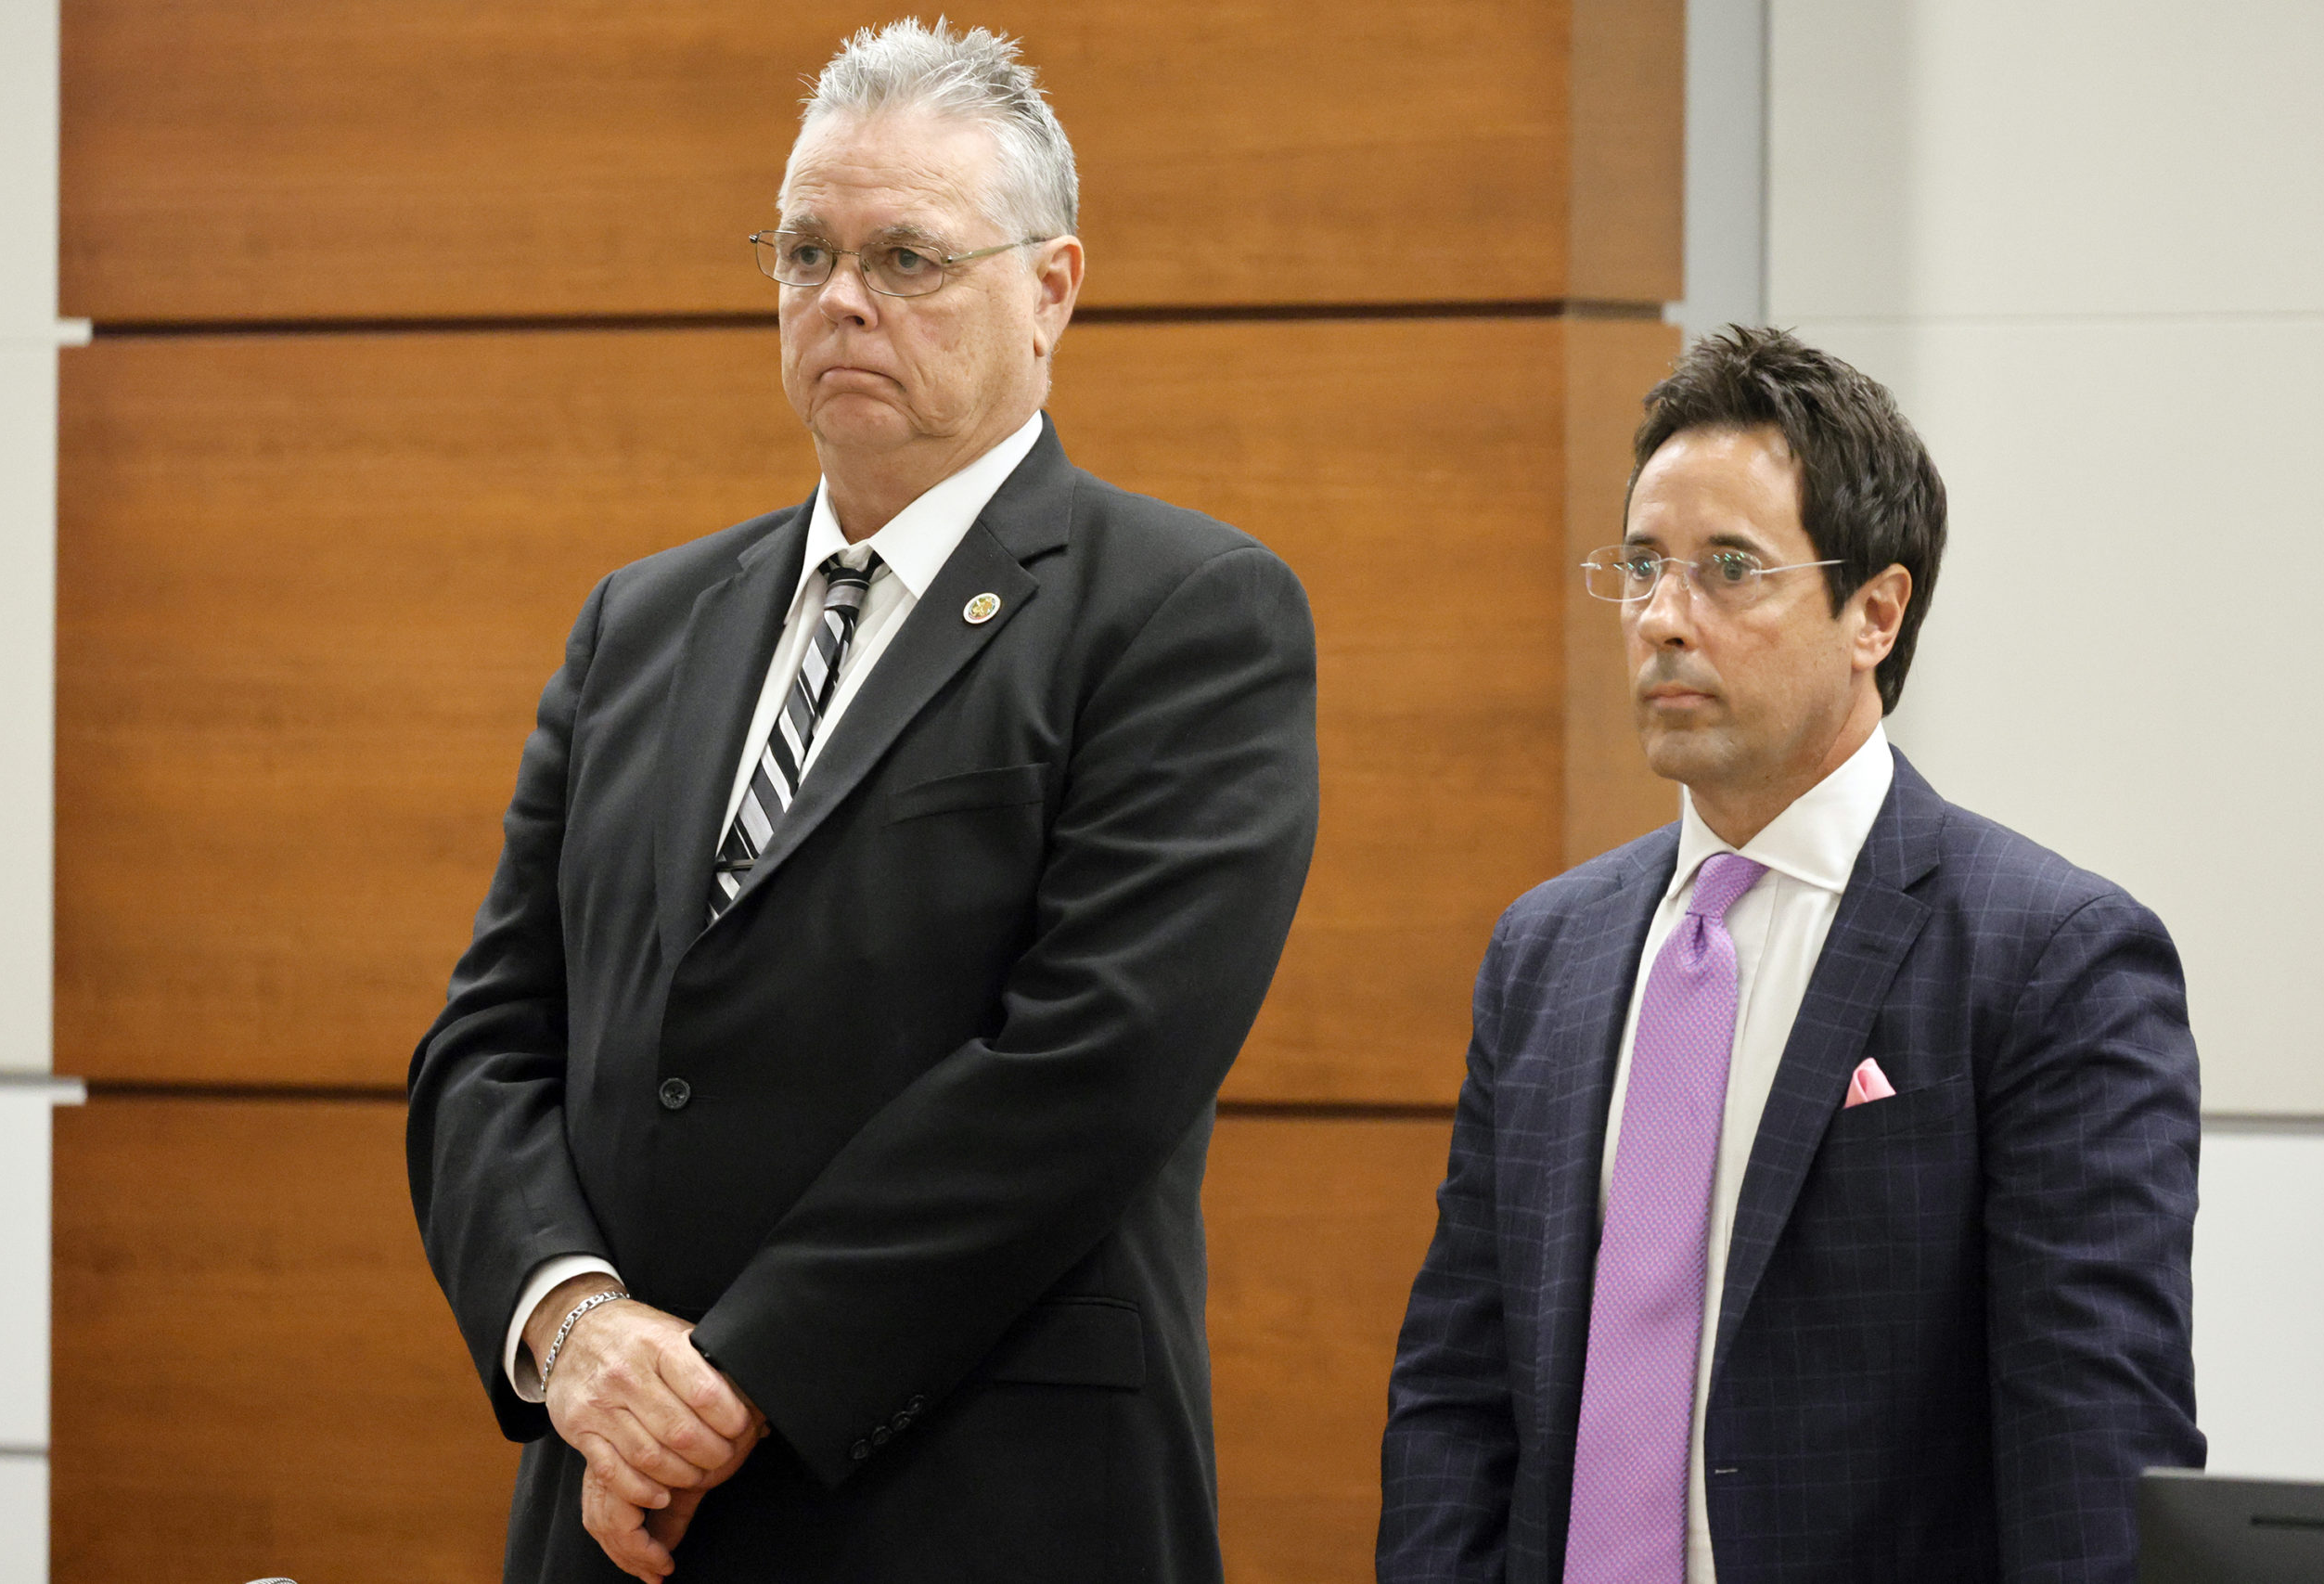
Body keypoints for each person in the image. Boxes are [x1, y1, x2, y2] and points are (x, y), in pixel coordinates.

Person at [406, 19, 1318, 1583]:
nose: (841, 299)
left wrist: (734, 1376)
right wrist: (576, 1330)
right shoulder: (642, 622)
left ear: (1052, 289)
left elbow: (1084, 1072)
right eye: (806, 251)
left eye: (907, 257)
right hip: (618, 1507)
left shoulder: (1186, 612)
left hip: (977, 1503)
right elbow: (492, 1038)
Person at [1379, 327, 2203, 1582]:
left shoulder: (2049, 960)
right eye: (1642, 566)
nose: (1662, 617)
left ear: (1875, 610)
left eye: (1728, 571)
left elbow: (2090, 1447)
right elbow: (1458, 1388)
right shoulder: (1548, 950)